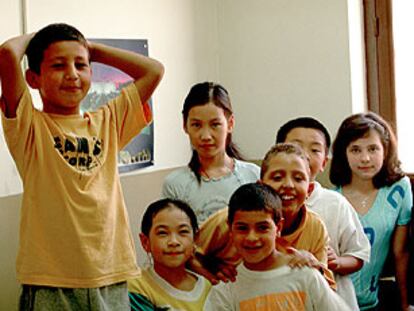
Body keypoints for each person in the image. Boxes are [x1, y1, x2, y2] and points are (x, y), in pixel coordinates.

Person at [0, 23, 164, 309]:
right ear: (34, 78)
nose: (72, 74)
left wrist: (94, 49)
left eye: (81, 65)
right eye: (59, 65)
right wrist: (38, 37)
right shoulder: (31, 127)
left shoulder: (108, 121)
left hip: (110, 273)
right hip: (52, 281)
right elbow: (7, 53)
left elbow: (153, 71)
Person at [192, 143, 335, 288]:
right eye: (277, 177)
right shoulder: (231, 219)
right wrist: (212, 273)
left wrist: (313, 267)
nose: (288, 185)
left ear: (309, 190)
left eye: (298, 179)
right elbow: (189, 256)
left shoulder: (315, 227)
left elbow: (328, 289)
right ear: (261, 185)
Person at [276, 116, 371, 310]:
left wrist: (336, 262)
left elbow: (359, 254)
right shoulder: (264, 203)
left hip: (333, 299)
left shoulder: (335, 203)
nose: (305, 155)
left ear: (324, 162)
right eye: (296, 147)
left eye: (315, 149)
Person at [209, 182, 351, 310]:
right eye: (242, 228)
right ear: (230, 229)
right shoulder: (226, 290)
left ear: (278, 228)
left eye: (262, 227)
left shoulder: (306, 276)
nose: (252, 237)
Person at [330, 112, 412, 311]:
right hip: (335, 301)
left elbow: (400, 252)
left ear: (386, 150)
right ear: (344, 153)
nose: (365, 158)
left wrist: (404, 304)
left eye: (373, 149)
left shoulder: (400, 189)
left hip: (375, 300)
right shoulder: (332, 199)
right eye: (355, 150)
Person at [161, 82, 260, 223]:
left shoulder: (253, 176)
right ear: (185, 126)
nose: (206, 136)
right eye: (196, 125)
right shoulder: (176, 184)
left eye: (215, 125)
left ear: (230, 124)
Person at [127, 198, 212, 310]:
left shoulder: (207, 286)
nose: (173, 242)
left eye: (183, 232)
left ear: (195, 239)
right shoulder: (137, 286)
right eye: (162, 233)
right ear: (145, 242)